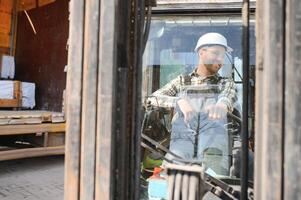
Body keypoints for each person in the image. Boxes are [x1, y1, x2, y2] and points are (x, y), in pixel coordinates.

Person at [149, 32, 238, 175]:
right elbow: (152, 99)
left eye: (223, 55)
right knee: (171, 183)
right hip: (181, 146)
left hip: (212, 146)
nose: (220, 60)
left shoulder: (225, 83)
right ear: (202, 52)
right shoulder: (181, 81)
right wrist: (179, 101)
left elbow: (228, 97)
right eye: (216, 53)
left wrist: (221, 106)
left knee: (216, 186)